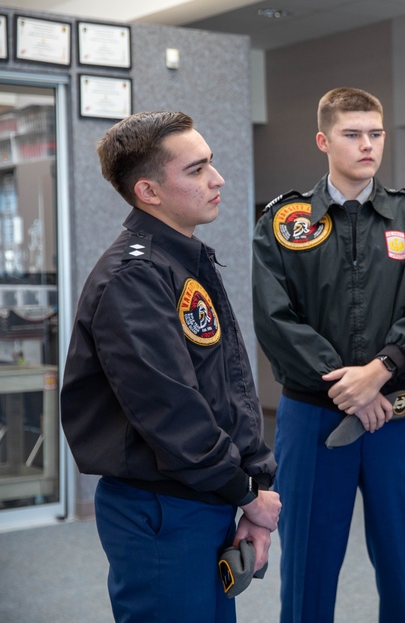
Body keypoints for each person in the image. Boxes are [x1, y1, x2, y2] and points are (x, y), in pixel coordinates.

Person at [60, 111, 281, 622]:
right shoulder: (133, 277)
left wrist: (254, 481)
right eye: (197, 169)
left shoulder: (182, 260)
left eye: (212, 164)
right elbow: (173, 412)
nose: (218, 179)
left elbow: (226, 385)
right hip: (161, 511)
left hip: (204, 497)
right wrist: (247, 494)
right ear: (149, 190)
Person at [252, 87, 405, 623]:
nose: (367, 145)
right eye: (352, 134)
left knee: (404, 563)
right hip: (314, 417)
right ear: (324, 140)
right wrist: (348, 388)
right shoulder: (283, 223)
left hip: (400, 414)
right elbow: (275, 322)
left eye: (375, 133)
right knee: (307, 568)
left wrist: (381, 369)